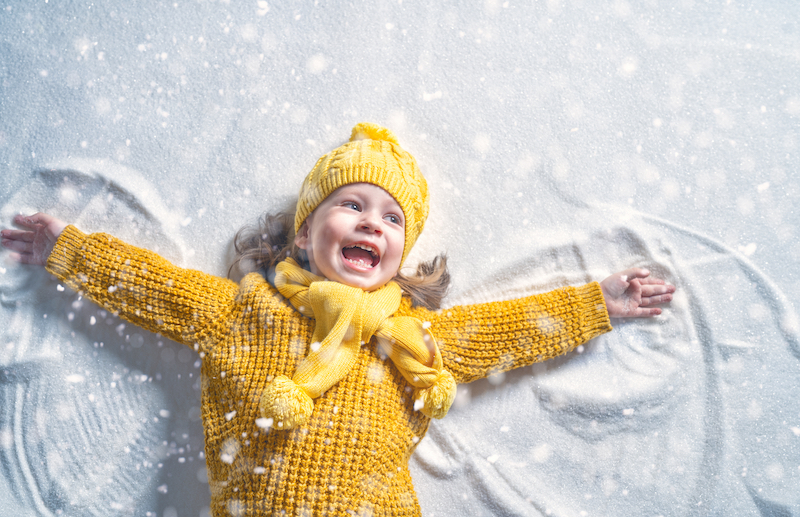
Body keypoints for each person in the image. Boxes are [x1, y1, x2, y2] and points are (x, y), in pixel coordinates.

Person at [1, 123, 675, 516]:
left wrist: (596, 303)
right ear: (302, 236)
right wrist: (68, 249)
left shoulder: (410, 336)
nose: (370, 223)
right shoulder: (245, 311)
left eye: (390, 219)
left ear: (399, 257)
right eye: (350, 204)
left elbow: (511, 326)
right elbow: (152, 287)